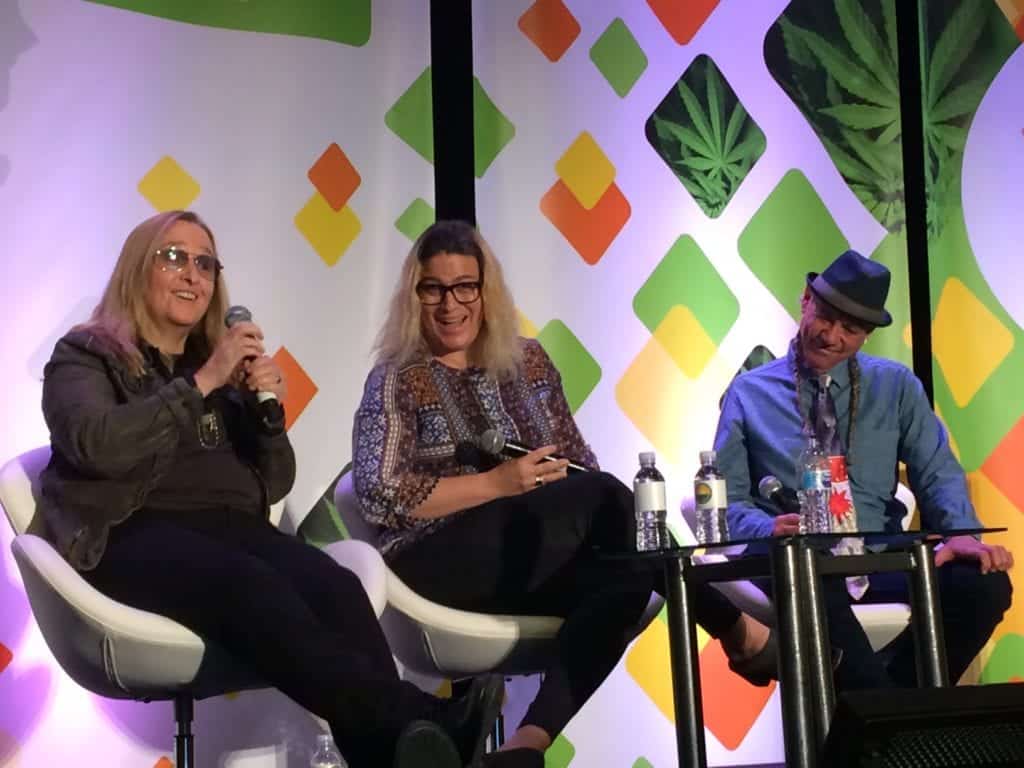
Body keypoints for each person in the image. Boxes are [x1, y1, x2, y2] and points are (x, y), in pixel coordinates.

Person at [37, 210, 503, 768]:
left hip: (229, 531)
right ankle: (419, 719)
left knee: (338, 589)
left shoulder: (217, 365)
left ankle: (402, 750)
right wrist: (204, 382)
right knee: (247, 583)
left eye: (205, 264)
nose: (192, 274)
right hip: (126, 532)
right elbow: (98, 445)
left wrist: (267, 416)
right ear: (139, 269)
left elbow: (275, 482)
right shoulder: (88, 354)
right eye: (174, 257)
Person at [352, 219, 776, 768]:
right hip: (435, 563)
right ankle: (734, 627)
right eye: (433, 288)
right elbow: (380, 493)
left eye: (464, 287)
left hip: (529, 560)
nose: (449, 304)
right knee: (613, 509)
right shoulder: (396, 377)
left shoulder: (529, 362)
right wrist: (497, 485)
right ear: (415, 296)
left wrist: (556, 489)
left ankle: (523, 747)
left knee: (626, 570)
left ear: (485, 292)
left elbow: (584, 469)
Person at [714, 248, 1014, 690]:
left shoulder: (895, 386)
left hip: (878, 557)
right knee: (809, 579)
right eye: (825, 317)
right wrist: (766, 527)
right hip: (792, 558)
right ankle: (892, 731)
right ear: (805, 301)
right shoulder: (749, 392)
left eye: (850, 329)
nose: (831, 335)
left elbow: (936, 470)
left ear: (867, 335)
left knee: (983, 587)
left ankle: (893, 710)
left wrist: (960, 533)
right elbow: (725, 502)